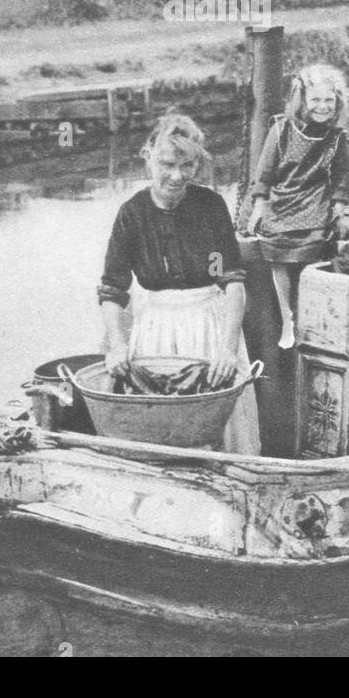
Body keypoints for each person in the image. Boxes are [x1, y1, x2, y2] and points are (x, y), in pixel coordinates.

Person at [98, 112, 260, 454]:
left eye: (187, 166)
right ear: (149, 157)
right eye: (167, 164)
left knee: (217, 425)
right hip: (156, 327)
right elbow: (114, 288)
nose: (176, 176)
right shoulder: (133, 214)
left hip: (208, 325)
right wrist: (116, 345)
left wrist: (228, 350)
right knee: (156, 425)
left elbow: (229, 279)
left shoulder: (210, 207)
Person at [246, 65, 349, 348]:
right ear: (303, 101)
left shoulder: (337, 137)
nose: (322, 107)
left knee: (315, 250)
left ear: (337, 101)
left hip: (316, 200)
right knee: (277, 255)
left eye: (328, 100)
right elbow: (265, 173)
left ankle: (311, 317)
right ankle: (287, 319)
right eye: (315, 100)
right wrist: (258, 208)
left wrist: (339, 209)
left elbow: (342, 177)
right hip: (282, 201)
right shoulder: (281, 130)